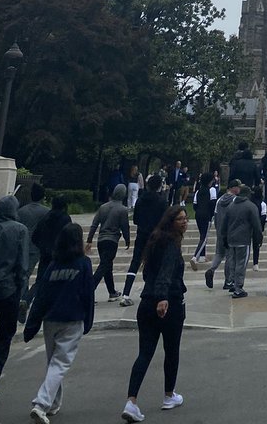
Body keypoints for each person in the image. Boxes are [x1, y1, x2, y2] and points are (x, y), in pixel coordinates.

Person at [121, 205, 188, 421]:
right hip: (168, 302)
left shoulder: (154, 240)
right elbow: (166, 271)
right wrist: (163, 297)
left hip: (147, 302)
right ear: (171, 222)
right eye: (180, 219)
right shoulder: (171, 244)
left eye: (185, 219)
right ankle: (169, 395)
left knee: (145, 352)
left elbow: (150, 271)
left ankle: (131, 400)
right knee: (171, 350)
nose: (185, 223)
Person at [23, 222, 94, 424]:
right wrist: (88, 320)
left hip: (51, 320)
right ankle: (42, 403)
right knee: (60, 363)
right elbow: (88, 293)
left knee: (53, 362)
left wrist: (32, 324)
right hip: (72, 319)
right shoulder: (83, 263)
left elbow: (42, 295)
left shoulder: (54, 265)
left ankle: (53, 403)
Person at [0, 195, 29, 406]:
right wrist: (22, 291)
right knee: (4, 337)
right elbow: (22, 265)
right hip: (9, 290)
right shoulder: (20, 230)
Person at [121, 175, 168, 307]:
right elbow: (165, 221)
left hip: (141, 234)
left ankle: (126, 293)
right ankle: (153, 292)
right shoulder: (161, 201)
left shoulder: (141, 200)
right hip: (156, 236)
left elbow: (135, 219)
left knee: (135, 262)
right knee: (155, 262)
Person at [87, 183, 130, 301]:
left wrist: (89, 239)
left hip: (101, 240)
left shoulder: (103, 207)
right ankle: (89, 290)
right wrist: (127, 239)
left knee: (107, 266)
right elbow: (125, 226)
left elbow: (94, 224)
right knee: (104, 265)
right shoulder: (122, 209)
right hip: (112, 240)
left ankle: (112, 291)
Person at [220, 184, 262, 299]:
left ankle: (233, 282)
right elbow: (257, 225)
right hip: (243, 239)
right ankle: (238, 288)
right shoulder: (250, 206)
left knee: (233, 262)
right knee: (241, 264)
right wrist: (258, 238)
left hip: (231, 239)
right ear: (247, 194)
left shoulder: (231, 206)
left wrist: (224, 237)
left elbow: (224, 224)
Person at [30, 197, 72, 304]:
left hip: (45, 254)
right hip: (59, 255)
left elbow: (35, 236)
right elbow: (69, 236)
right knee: (58, 281)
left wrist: (43, 247)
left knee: (40, 281)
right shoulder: (65, 219)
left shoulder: (46, 217)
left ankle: (28, 299)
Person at [204, 179, 241, 291]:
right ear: (233, 188)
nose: (239, 189)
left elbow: (215, 215)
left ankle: (211, 269)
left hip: (220, 231)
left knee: (219, 253)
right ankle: (228, 281)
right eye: (238, 187)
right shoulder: (235, 200)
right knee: (230, 257)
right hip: (231, 232)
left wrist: (219, 230)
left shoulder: (220, 200)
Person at [18, 184, 49, 311]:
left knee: (24, 274)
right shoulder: (46, 212)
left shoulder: (21, 211)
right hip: (38, 247)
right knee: (37, 276)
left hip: (23, 245)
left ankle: (23, 298)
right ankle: (25, 299)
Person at [189, 173, 215, 270]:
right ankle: (195, 257)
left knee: (202, 234)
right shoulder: (211, 190)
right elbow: (213, 203)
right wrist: (211, 215)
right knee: (204, 237)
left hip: (198, 214)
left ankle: (203, 257)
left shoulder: (198, 191)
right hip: (206, 215)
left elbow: (195, 205)